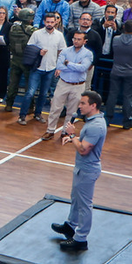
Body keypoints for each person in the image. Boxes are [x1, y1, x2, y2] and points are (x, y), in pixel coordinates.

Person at [51, 91, 107, 252]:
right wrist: (73, 140)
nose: (79, 106)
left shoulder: (96, 126)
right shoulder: (91, 121)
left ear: (93, 105)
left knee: (84, 205)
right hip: (82, 168)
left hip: (88, 169)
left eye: (83, 103)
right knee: (76, 198)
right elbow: (83, 143)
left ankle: (81, 239)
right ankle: (70, 226)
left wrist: (72, 135)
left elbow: (83, 150)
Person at [42, 32, 94, 140]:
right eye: (74, 38)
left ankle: (65, 132)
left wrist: (68, 64)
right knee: (55, 107)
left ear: (85, 41)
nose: (76, 41)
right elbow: (59, 65)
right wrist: (74, 65)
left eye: (79, 39)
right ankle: (50, 130)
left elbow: (83, 68)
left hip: (78, 85)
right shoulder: (65, 51)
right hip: (63, 83)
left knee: (72, 111)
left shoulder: (88, 54)